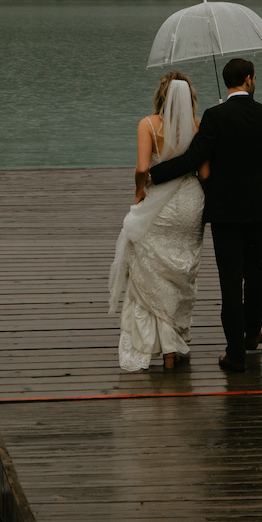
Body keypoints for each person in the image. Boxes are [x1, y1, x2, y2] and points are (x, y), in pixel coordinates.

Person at [142, 57, 262, 373]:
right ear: (249, 79)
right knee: (255, 269)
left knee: (230, 279)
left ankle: (235, 354)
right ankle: (252, 332)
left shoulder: (216, 116)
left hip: (225, 208)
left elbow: (194, 157)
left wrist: (155, 174)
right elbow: (253, 153)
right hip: (259, 204)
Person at [110, 73, 209, 372]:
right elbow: (204, 174)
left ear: (161, 94)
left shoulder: (148, 124)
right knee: (179, 271)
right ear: (189, 97)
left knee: (149, 270)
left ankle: (160, 347)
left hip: (159, 205)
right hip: (191, 202)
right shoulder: (198, 125)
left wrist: (140, 191)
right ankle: (172, 345)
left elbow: (143, 168)